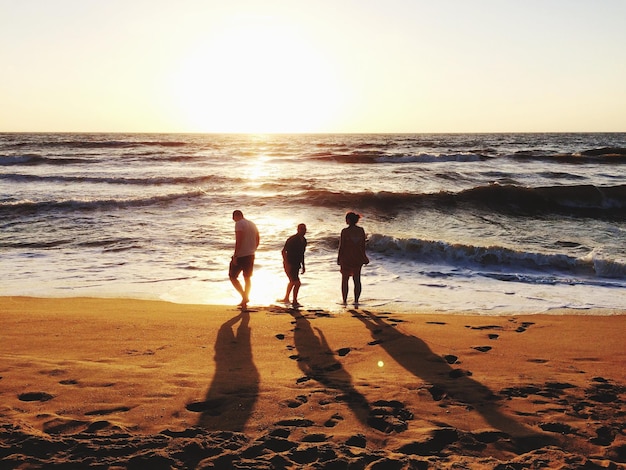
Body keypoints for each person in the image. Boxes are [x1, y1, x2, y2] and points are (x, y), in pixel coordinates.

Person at [229, 210, 259, 309]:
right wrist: (253, 249)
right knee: (247, 278)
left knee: (232, 276)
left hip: (241, 254)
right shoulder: (252, 224)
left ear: (236, 216)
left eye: (233, 217)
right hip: (251, 254)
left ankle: (244, 296)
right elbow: (258, 238)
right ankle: (245, 299)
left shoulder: (239, 223)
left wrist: (235, 255)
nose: (233, 220)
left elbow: (239, 240)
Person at [337, 212, 369, 307]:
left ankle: (344, 301)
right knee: (357, 280)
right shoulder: (361, 230)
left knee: (345, 280)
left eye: (346, 219)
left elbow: (341, 246)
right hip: (358, 258)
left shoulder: (345, 231)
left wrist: (339, 258)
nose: (345, 221)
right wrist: (364, 257)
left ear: (349, 220)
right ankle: (356, 300)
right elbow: (363, 246)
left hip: (346, 258)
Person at [281, 223, 307, 307]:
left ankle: (286, 298)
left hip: (297, 264)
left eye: (304, 229)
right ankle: (294, 301)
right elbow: (283, 251)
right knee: (297, 283)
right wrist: (287, 263)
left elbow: (302, 254)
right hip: (289, 263)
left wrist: (303, 266)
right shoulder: (292, 239)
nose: (304, 231)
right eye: (302, 229)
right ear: (298, 230)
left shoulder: (304, 240)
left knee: (292, 281)